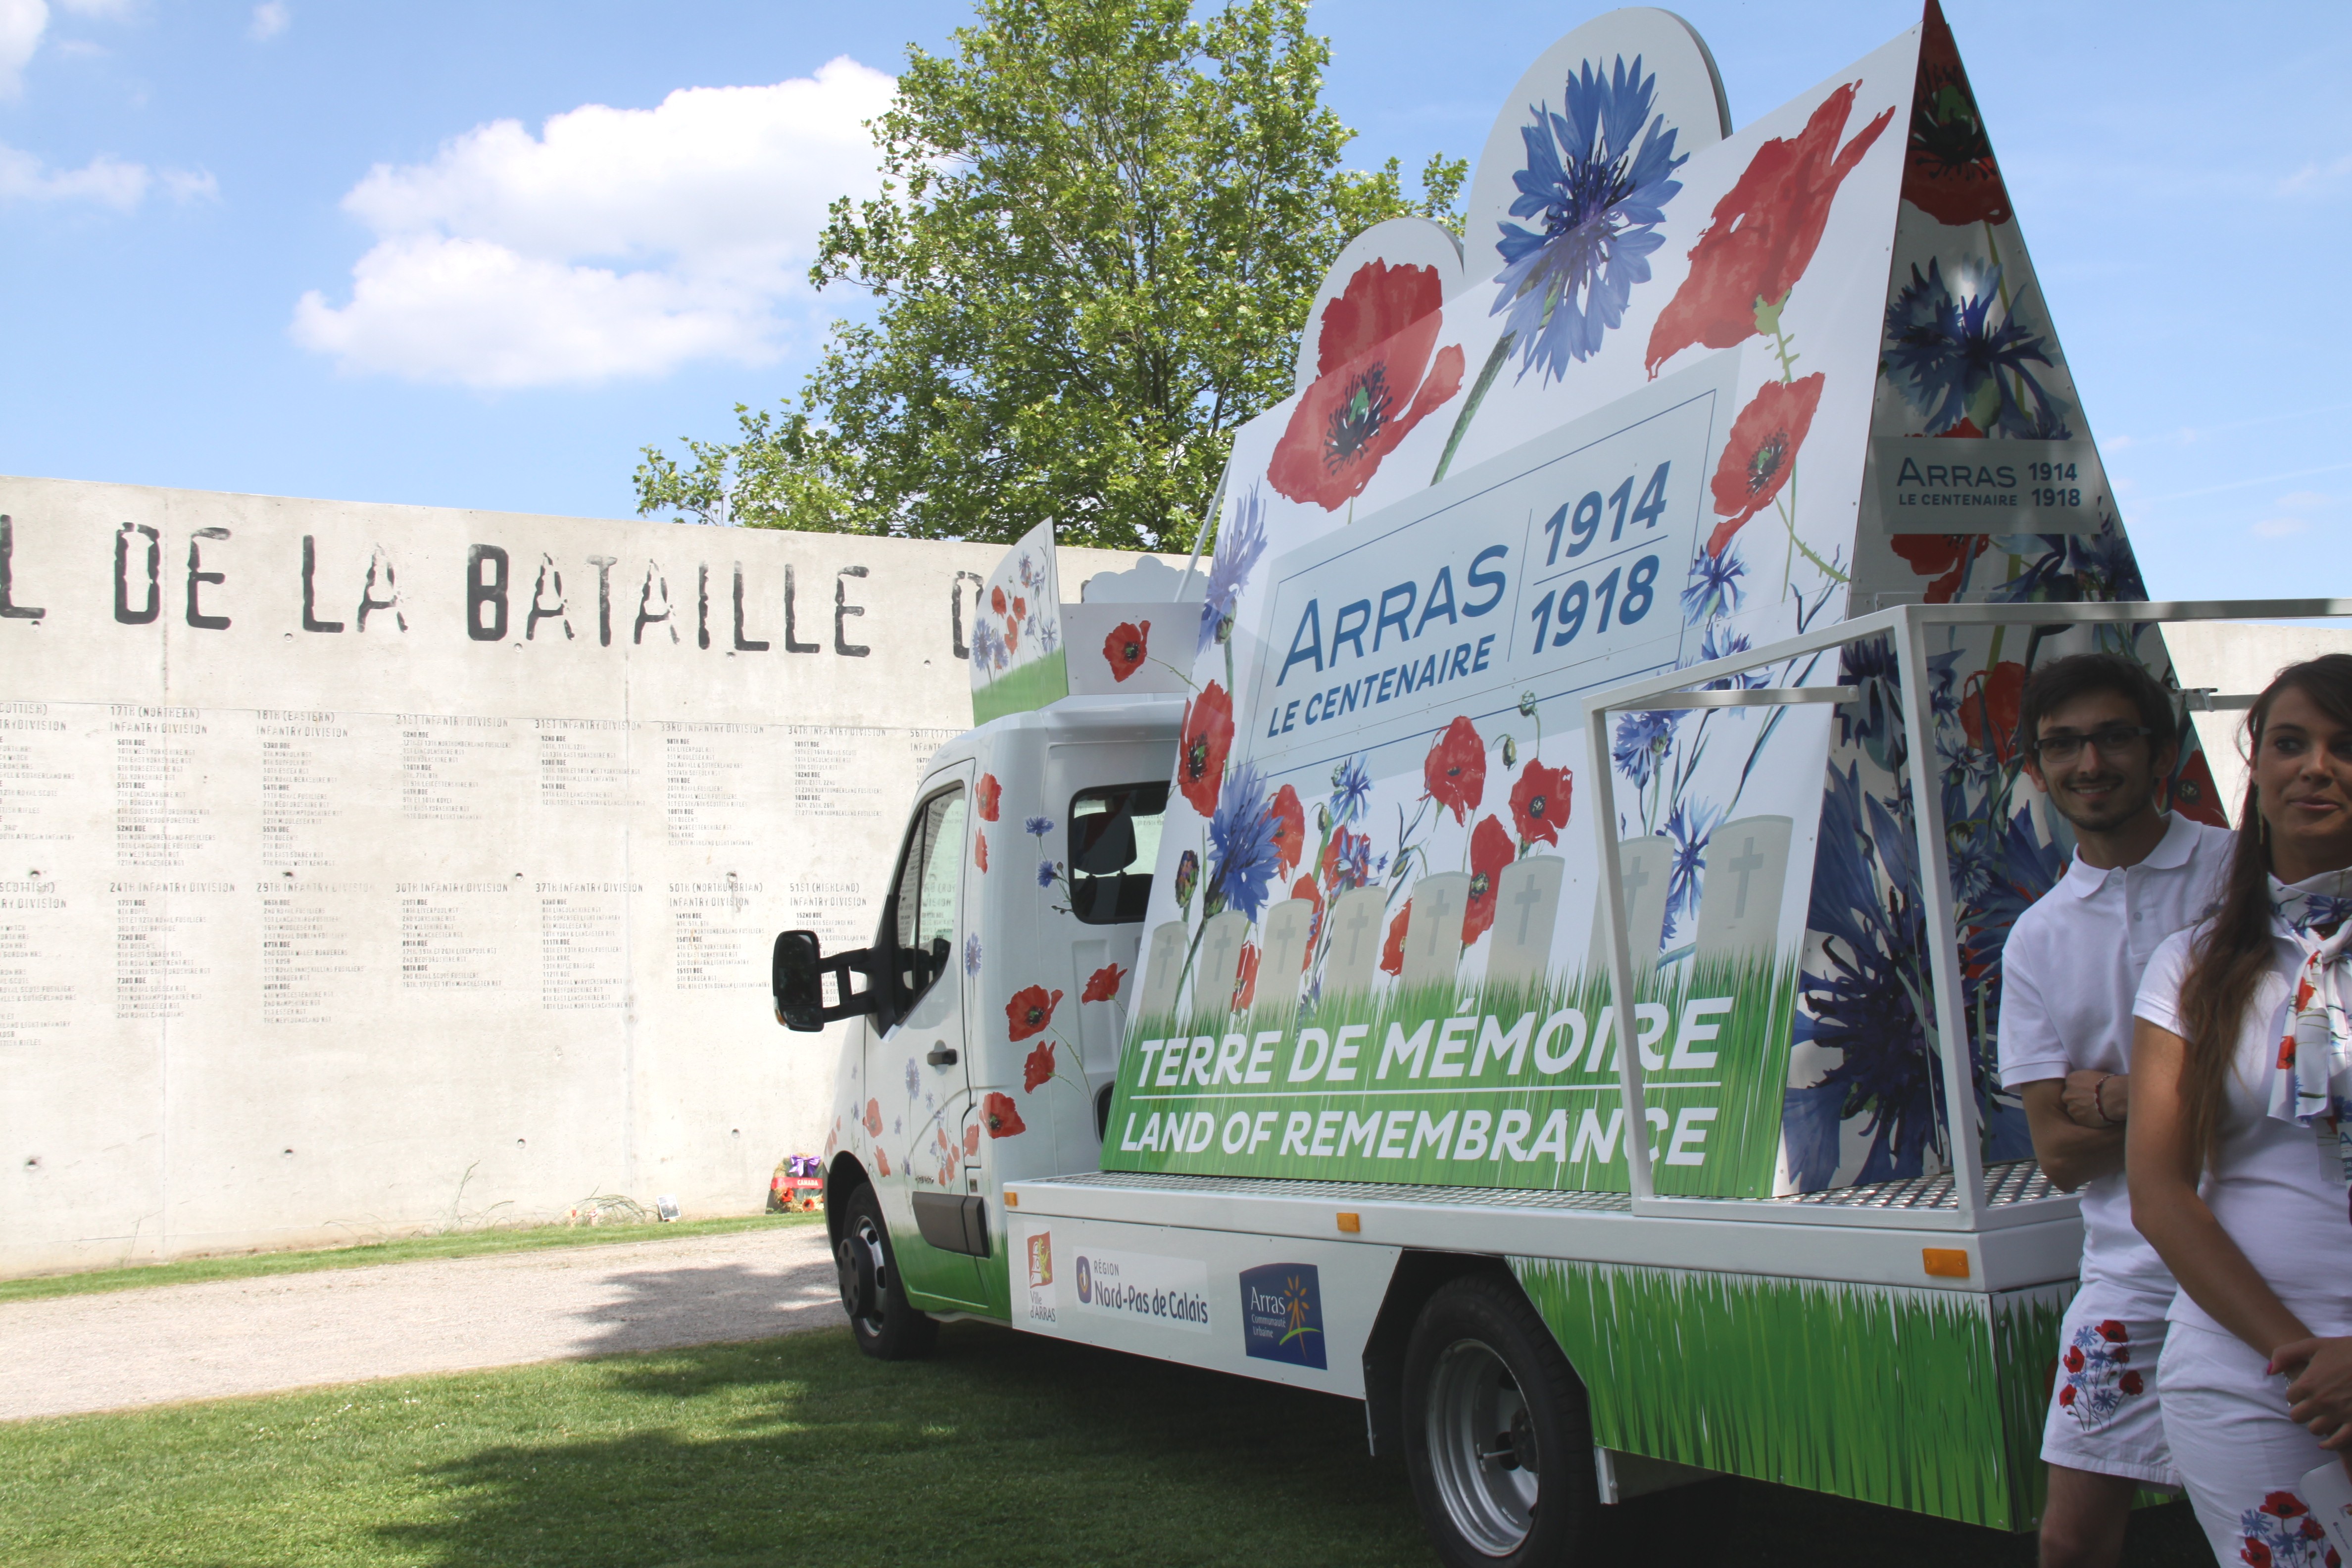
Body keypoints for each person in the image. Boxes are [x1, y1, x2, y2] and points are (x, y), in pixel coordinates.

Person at [1998, 652, 2236, 1567]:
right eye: (2062, 745)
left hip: (2269, 1250)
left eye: (2111, 737)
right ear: (2035, 771)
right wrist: (2194, 1096)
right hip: (2132, 1274)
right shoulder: (2039, 936)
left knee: (2275, 1515)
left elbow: (2276, 1098)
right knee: (2071, 1538)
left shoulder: (2237, 877)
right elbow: (2059, 1151)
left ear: (2163, 751)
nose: (2088, 763)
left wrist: (2120, 1094)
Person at [2127, 653, 2352, 1566]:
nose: (2316, 766)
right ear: (2253, 769)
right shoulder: (2189, 965)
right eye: (2290, 744)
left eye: (2346, 746)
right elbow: (2159, 1191)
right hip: (2253, 1374)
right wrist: (2307, 1359)